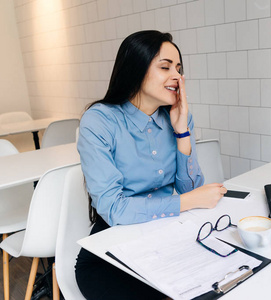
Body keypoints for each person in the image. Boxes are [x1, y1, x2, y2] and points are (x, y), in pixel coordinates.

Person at [75, 30, 227, 300]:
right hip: (111, 246)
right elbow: (114, 209)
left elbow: (189, 187)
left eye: (179, 69)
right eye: (165, 67)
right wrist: (186, 202)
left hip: (165, 234)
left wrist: (182, 131)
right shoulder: (99, 121)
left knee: (222, 279)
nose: (177, 77)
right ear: (135, 69)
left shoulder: (179, 117)